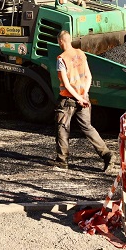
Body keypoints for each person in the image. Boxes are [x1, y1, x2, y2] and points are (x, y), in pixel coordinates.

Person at [52, 29, 114, 173]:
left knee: (62, 128)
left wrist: (78, 98)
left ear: (60, 41)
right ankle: (108, 155)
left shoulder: (61, 59)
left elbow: (66, 85)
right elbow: (89, 77)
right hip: (83, 98)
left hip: (68, 100)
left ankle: (62, 162)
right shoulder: (81, 54)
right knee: (88, 128)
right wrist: (84, 95)